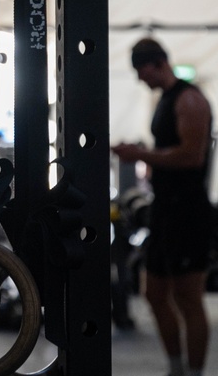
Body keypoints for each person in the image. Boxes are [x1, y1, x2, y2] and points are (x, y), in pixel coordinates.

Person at [112, 37, 214, 376]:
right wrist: (142, 155)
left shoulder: (190, 99)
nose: (140, 80)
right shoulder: (165, 100)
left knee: (188, 297)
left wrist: (140, 154)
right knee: (154, 293)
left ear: (157, 63)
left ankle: (195, 372)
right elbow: (168, 151)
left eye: (141, 71)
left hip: (189, 212)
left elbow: (191, 155)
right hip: (165, 210)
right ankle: (175, 368)